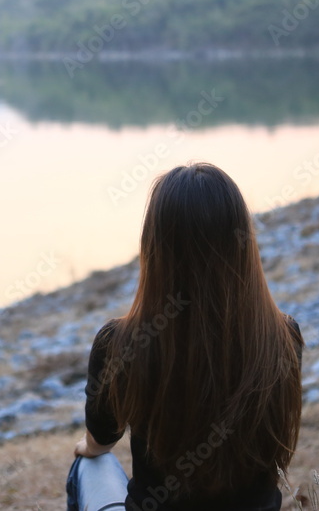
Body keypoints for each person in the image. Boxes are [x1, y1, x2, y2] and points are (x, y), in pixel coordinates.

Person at [66, 163, 304, 511]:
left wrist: (86, 449)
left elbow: (100, 441)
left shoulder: (121, 342)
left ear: (154, 244)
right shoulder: (282, 336)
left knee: (86, 466)